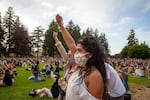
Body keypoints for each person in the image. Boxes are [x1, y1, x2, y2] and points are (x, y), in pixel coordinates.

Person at [55, 14, 126, 100]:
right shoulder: (85, 63)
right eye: (76, 50)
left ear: (90, 54)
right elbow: (71, 44)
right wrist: (61, 25)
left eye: (79, 50)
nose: (75, 54)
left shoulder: (99, 71)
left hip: (116, 95)